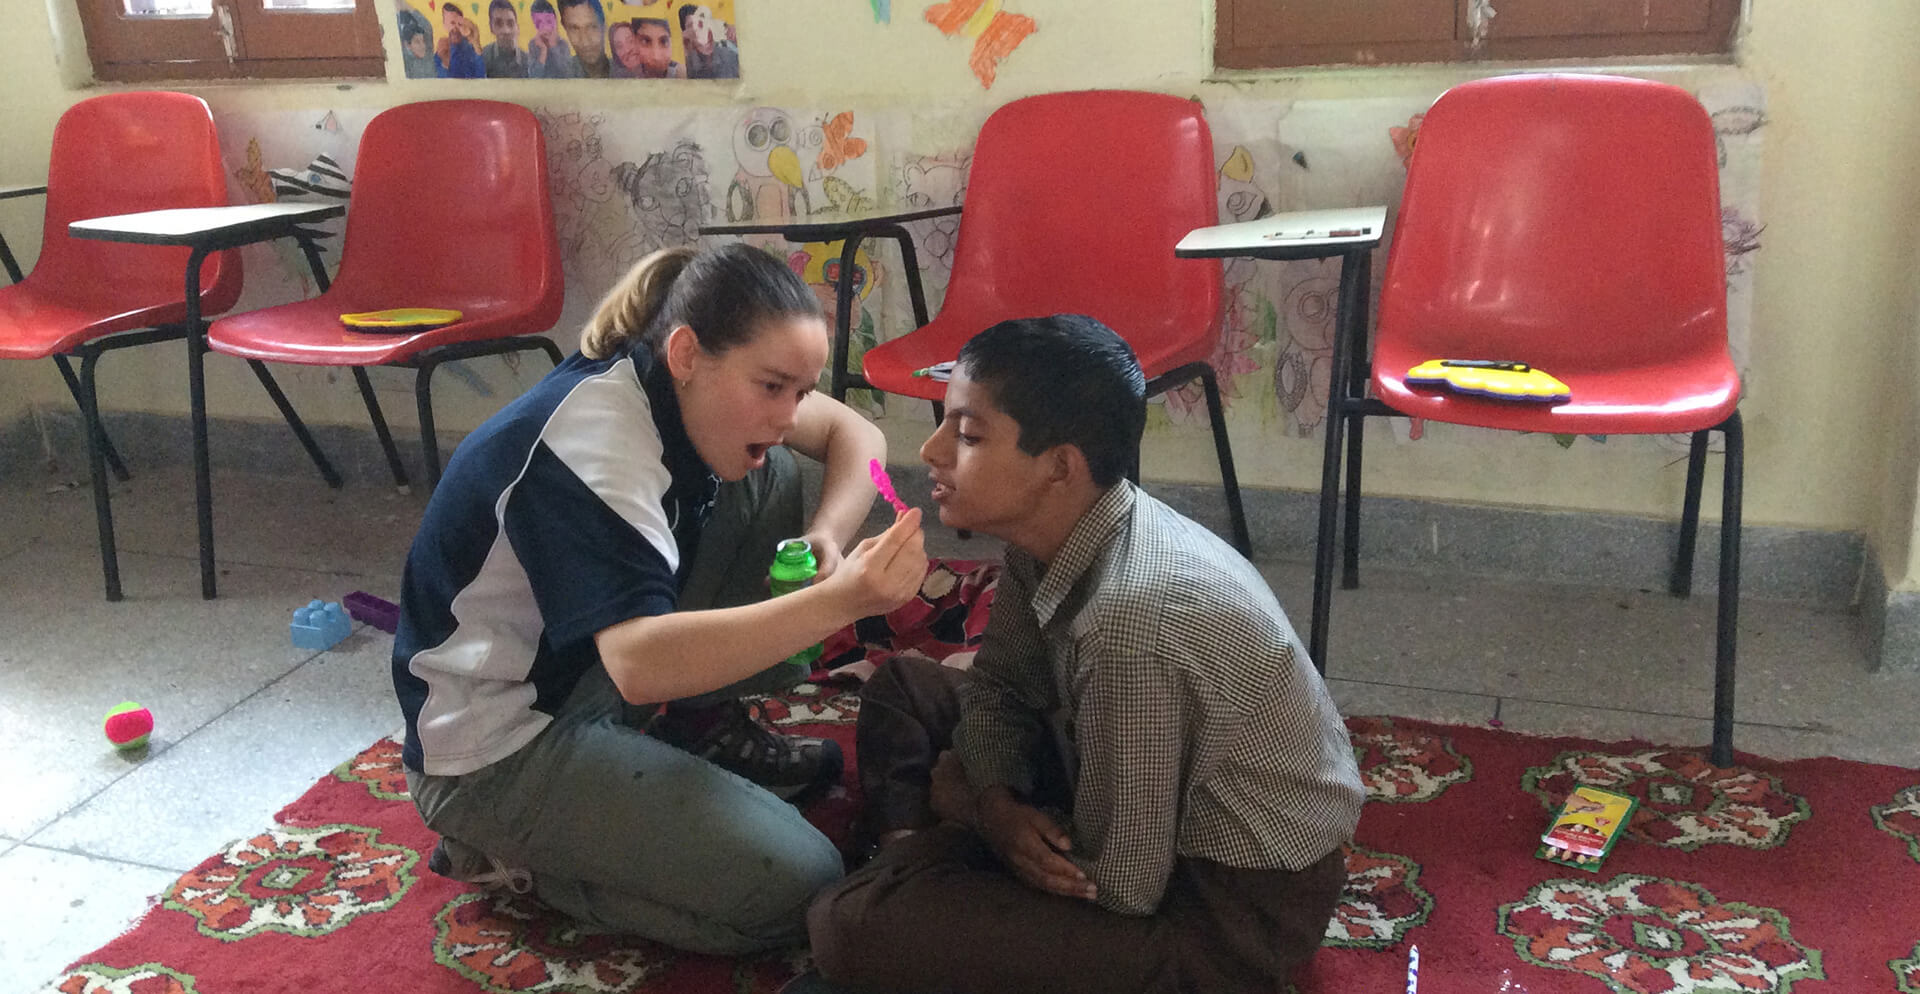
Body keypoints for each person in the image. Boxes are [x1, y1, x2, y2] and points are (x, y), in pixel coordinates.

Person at [798, 315, 1365, 993]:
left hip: (1214, 911)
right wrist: (997, 803)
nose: (931, 450)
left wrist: (977, 808)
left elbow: (1122, 884)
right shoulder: (1056, 526)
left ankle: (918, 875)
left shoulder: (1134, 620)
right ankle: (924, 869)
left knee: (845, 925)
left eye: (969, 434)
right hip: (1113, 784)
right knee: (905, 689)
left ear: (1060, 466)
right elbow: (1000, 686)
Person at [392, 244, 929, 954]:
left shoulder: (675, 379)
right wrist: (843, 600)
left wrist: (828, 538)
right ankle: (511, 860)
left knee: (760, 474)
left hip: (578, 675)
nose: (789, 412)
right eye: (773, 387)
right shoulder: (597, 447)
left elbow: (854, 433)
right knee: (800, 888)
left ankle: (702, 725)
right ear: (685, 353)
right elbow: (641, 664)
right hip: (495, 752)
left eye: (798, 392)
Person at [678, 2, 739, 79]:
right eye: (691, 25)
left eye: (702, 23)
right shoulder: (684, 67)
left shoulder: (730, 55)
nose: (698, 31)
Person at [612, 17, 685, 79]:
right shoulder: (615, 75)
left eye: (630, 41)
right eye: (619, 46)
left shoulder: (677, 72)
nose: (627, 50)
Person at [525, 0, 581, 78]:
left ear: (555, 21)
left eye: (549, 21)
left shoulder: (562, 44)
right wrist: (543, 51)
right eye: (539, 23)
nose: (545, 26)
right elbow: (533, 76)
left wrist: (552, 46)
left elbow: (568, 74)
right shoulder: (534, 44)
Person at [559, 0, 611, 78]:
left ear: (604, 25)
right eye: (574, 28)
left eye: (592, 27)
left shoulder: (628, 72)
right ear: (565, 28)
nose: (585, 42)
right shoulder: (558, 77)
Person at [433, 0, 485, 78]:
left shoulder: (471, 49)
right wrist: (445, 63)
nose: (455, 28)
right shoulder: (441, 51)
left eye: (459, 24)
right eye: (452, 23)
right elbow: (437, 83)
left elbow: (482, 76)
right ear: (444, 24)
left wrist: (476, 44)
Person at [481, 0, 528, 78]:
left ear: (517, 27)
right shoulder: (482, 58)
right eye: (498, 24)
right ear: (491, 27)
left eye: (510, 23)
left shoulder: (528, 61)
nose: (506, 31)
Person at [395, 0, 437, 78]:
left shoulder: (428, 54)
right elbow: (395, 34)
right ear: (408, 45)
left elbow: (427, 27)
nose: (422, 45)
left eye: (423, 41)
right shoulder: (405, 59)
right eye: (417, 42)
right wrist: (398, 11)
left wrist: (407, 7)